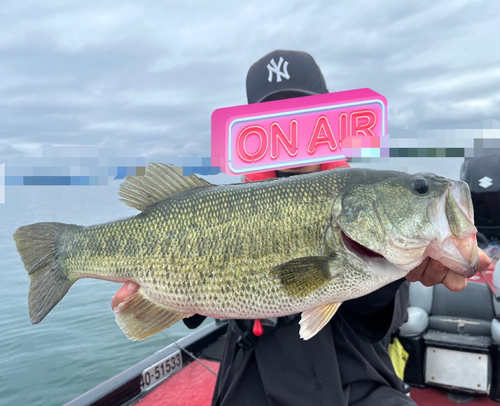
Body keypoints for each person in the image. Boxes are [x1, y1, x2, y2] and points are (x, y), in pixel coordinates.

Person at [111, 50, 491, 406]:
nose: (292, 132)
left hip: (353, 382)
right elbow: (203, 300)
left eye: (306, 117)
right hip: (249, 378)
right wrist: (157, 294)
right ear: (253, 132)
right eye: (274, 120)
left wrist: (395, 272)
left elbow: (381, 322)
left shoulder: (362, 193)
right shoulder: (224, 207)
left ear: (330, 118)